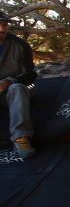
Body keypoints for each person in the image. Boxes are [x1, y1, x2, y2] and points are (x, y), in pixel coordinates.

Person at [0, 11, 37, 158]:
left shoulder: (20, 45)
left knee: (18, 88)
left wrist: (9, 81)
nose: (2, 29)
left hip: (12, 93)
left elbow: (31, 74)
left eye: (4, 24)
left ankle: (21, 137)